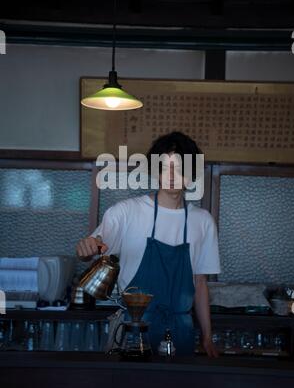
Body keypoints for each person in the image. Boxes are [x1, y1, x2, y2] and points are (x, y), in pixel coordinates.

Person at [76, 131, 220, 357]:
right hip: (134, 328)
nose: (171, 175)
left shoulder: (203, 222)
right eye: (164, 167)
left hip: (181, 331)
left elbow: (200, 284)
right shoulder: (126, 211)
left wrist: (207, 337)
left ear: (192, 175)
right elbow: (98, 245)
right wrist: (88, 247)